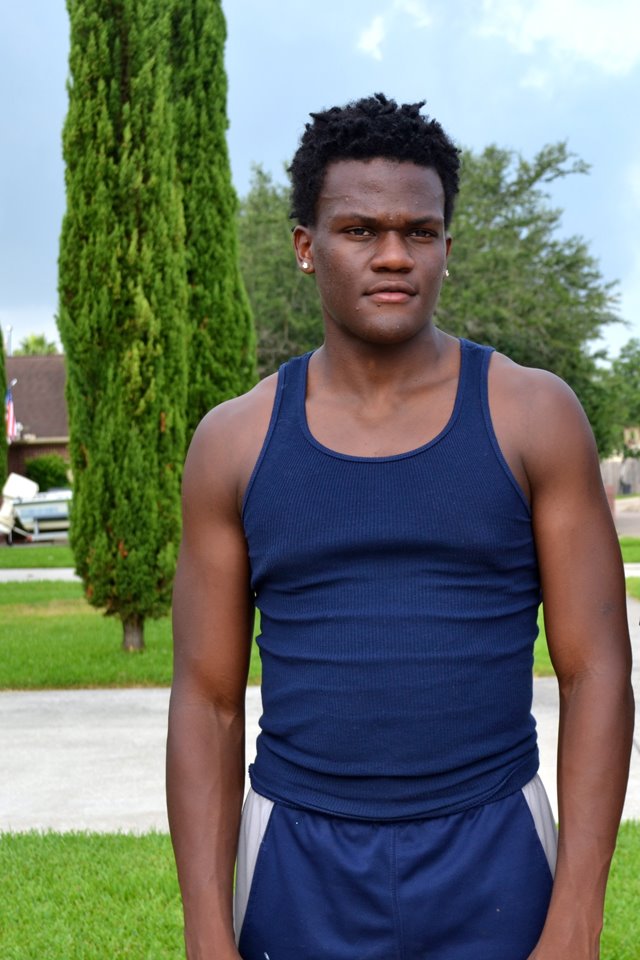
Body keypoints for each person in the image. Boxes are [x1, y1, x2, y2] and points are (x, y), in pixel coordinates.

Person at [166, 94, 634, 960]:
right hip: (297, 856)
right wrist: (205, 931)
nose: (393, 255)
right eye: (360, 230)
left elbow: (597, 670)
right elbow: (207, 701)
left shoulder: (533, 416)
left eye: (419, 232)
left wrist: (576, 921)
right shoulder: (234, 442)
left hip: (495, 848)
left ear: (447, 248)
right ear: (306, 246)